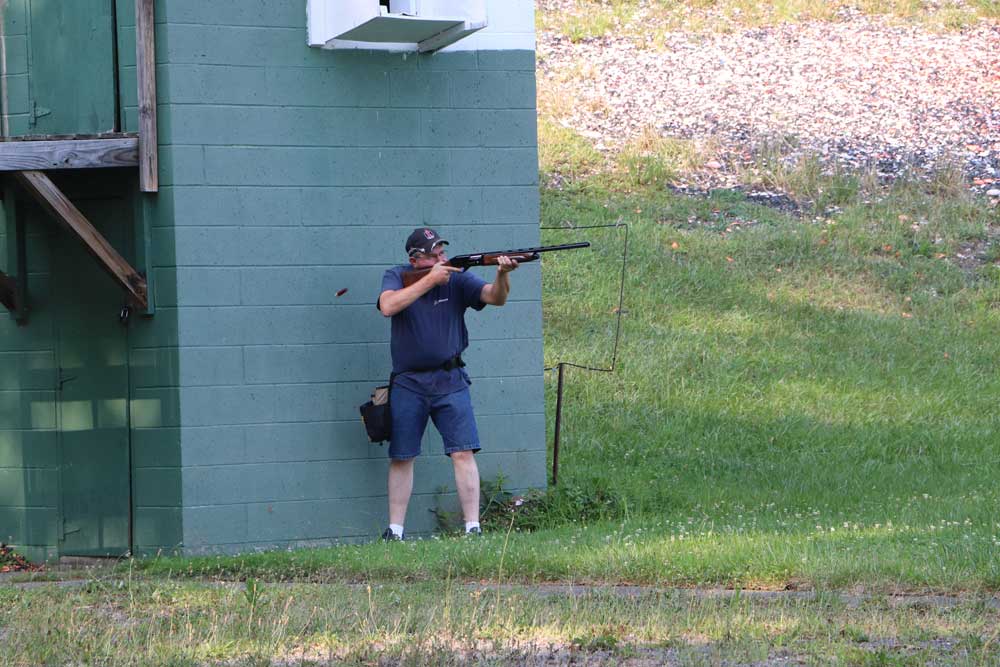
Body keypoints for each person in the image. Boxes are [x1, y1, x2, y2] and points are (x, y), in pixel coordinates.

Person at [376, 227, 519, 540]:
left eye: (442, 251)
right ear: (416, 259)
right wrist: (430, 280)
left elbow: (496, 298)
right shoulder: (397, 275)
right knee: (402, 455)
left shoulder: (456, 278)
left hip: (451, 379)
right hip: (409, 381)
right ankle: (395, 531)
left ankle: (473, 527)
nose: (442, 257)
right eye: (434, 254)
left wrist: (503, 274)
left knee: (463, 452)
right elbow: (388, 306)